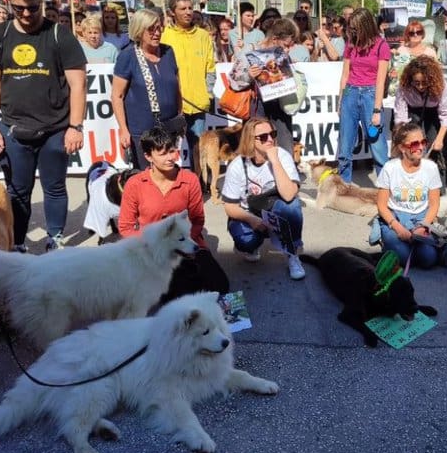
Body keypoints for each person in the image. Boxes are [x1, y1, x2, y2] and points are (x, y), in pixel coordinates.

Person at [0, 0, 87, 252]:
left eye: (32, 7)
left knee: (54, 187)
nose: (26, 14)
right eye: (19, 8)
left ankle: (56, 239)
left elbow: (78, 84)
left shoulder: (59, 35)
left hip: (55, 129)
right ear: (8, 3)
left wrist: (75, 127)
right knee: (17, 192)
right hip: (14, 129)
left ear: (41, 1)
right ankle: (17, 244)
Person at [118, 126, 229, 304]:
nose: (170, 158)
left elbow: (197, 220)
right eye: (162, 153)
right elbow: (125, 227)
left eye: (172, 151)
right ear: (148, 156)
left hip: (187, 246)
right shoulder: (135, 184)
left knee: (221, 286)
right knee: (175, 296)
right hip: (151, 251)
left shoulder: (190, 179)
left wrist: (183, 245)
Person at [220, 117, 306, 280]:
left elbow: (289, 194)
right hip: (250, 213)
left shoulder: (282, 156)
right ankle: (253, 246)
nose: (270, 140)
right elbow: (229, 207)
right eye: (263, 137)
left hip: (275, 209)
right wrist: (251, 219)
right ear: (250, 140)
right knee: (245, 241)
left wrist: (274, 160)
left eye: (272, 134)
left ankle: (292, 255)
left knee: (292, 206)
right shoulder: (237, 165)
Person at [111, 9, 182, 170]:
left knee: (168, 173)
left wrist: (180, 115)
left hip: (169, 128)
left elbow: (177, 86)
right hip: (142, 131)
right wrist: (123, 129)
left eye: (159, 28)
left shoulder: (168, 52)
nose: (157, 33)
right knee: (147, 178)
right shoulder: (128, 56)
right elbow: (117, 95)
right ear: (139, 30)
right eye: (151, 29)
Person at [161, 0, 216, 171]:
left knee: (199, 147)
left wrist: (207, 93)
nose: (188, 12)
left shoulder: (203, 35)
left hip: (198, 103)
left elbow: (210, 67)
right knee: (170, 148)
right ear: (172, 12)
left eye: (190, 8)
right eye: (182, 9)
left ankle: (200, 184)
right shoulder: (164, 36)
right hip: (173, 106)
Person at [375, 122, 442, 269]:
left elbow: (434, 204)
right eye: (414, 144)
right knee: (403, 256)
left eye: (423, 142)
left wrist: (423, 226)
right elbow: (381, 205)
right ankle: (385, 239)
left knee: (429, 259)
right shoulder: (390, 168)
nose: (420, 148)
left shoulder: (431, 168)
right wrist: (398, 228)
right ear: (402, 148)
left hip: (421, 217)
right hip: (396, 217)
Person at [228, 18, 299, 154]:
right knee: (257, 151)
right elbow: (234, 81)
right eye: (286, 44)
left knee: (284, 150)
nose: (289, 49)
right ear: (275, 39)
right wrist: (249, 75)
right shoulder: (250, 52)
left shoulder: (283, 55)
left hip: (280, 107)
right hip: (257, 108)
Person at [337, 7, 390, 183]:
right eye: (351, 28)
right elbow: (344, 75)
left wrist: (376, 110)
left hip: (370, 95)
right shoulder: (350, 44)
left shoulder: (381, 45)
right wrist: (340, 101)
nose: (352, 31)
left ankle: (386, 188)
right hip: (350, 93)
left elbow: (380, 80)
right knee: (345, 146)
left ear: (365, 26)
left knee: (377, 145)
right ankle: (344, 186)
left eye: (355, 28)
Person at [394, 55, 447, 157]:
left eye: (424, 83)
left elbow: (446, 114)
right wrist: (402, 136)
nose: (420, 87)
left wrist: (439, 139)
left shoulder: (441, 85)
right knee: (413, 149)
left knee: (434, 150)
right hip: (412, 114)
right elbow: (401, 113)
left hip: (433, 114)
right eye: (416, 83)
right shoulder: (404, 85)